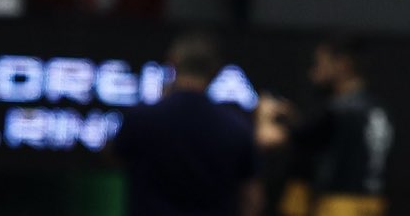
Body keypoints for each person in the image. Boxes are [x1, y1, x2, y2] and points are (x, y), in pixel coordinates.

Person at [112, 32, 259, 216]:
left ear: (172, 63)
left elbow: (116, 158)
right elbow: (251, 197)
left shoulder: (141, 118)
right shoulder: (236, 128)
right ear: (216, 71)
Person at [259, 36, 394, 216]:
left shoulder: (339, 111)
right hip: (373, 204)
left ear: (343, 65)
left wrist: (264, 114)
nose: (314, 72)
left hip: (339, 206)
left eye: (321, 64)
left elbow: (267, 139)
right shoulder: (377, 109)